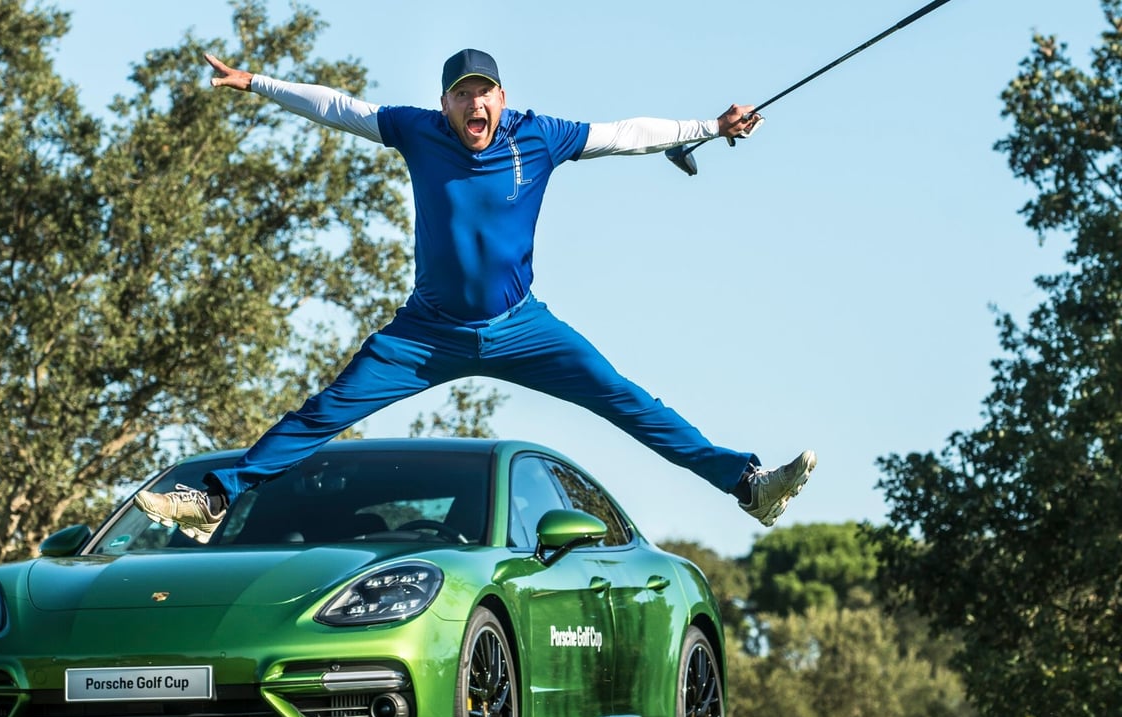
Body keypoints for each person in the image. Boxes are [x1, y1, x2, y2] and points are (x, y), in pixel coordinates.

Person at [134, 49, 816, 544]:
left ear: (501, 96)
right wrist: (255, 82)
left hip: (522, 327)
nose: (475, 104)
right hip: (425, 334)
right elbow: (339, 107)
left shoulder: (538, 135)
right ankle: (216, 499)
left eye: (484, 92)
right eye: (462, 94)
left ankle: (747, 486)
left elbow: (628, 134)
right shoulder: (416, 131)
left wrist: (707, 127)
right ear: (445, 105)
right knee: (324, 411)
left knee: (629, 402)